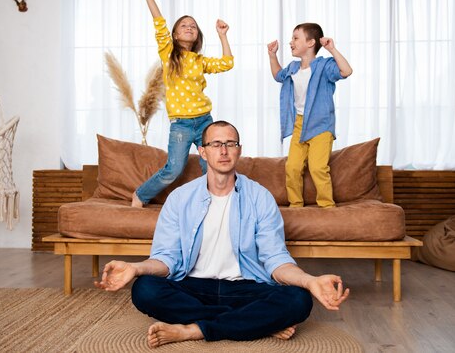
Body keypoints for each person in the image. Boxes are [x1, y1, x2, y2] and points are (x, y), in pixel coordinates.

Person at [95, 120, 350, 348]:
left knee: (298, 299)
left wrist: (309, 281)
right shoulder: (180, 199)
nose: (224, 150)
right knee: (145, 290)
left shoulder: (260, 197)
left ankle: (194, 330)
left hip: (245, 287)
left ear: (239, 150)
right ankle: (253, 321)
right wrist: (135, 268)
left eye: (230, 143)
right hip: (193, 285)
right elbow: (167, 259)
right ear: (202, 152)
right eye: (216, 144)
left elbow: (275, 259)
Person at [132, 0, 234, 208]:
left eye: (193, 26)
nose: (189, 28)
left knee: (211, 165)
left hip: (205, 121)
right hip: (181, 124)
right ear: (175, 34)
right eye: (184, 25)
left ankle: (212, 204)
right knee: (174, 169)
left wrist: (223, 36)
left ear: (197, 35)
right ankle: (140, 195)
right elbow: (159, 23)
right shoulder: (169, 54)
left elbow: (227, 63)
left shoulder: (199, 60)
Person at [267, 24, 353, 208]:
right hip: (300, 124)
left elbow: (346, 71)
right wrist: (272, 55)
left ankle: (327, 206)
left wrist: (332, 49)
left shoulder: (324, 66)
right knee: (292, 167)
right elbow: (277, 75)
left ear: (311, 42)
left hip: (321, 125)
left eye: (296, 38)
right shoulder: (293, 67)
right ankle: (295, 205)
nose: (291, 42)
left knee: (317, 167)